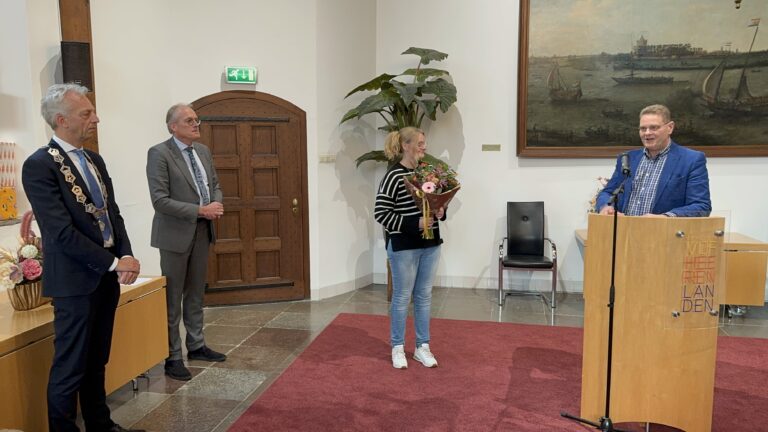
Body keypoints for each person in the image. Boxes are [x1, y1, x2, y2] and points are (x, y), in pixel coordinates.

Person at [22, 83, 142, 432]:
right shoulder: (39, 165)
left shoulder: (94, 160)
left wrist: (127, 255)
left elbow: (112, 214)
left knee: (96, 360)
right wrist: (112, 262)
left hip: (105, 277)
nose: (96, 119)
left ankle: (99, 423)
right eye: (86, 113)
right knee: (70, 365)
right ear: (61, 120)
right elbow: (60, 232)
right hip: (74, 281)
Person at [146, 103, 226, 381]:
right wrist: (200, 210)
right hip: (174, 235)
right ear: (173, 126)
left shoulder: (202, 151)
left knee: (195, 293)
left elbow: (214, 184)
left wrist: (216, 201)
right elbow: (160, 200)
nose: (196, 124)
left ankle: (197, 345)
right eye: (189, 120)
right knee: (172, 298)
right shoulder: (160, 153)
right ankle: (173, 356)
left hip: (202, 232)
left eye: (197, 120)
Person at [374, 127, 445, 369]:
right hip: (403, 246)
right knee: (402, 297)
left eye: (425, 143)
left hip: (431, 244)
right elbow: (381, 213)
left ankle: (422, 347)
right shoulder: (393, 176)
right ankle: (397, 347)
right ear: (406, 145)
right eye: (421, 143)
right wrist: (415, 223)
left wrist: (440, 211)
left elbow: (435, 205)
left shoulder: (428, 174)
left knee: (424, 297)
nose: (424, 147)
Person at [596, 104, 711, 217]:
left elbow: (701, 205)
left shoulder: (691, 160)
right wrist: (606, 207)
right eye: (643, 128)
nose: (647, 133)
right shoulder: (628, 158)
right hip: (625, 233)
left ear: (670, 127)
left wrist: (665, 217)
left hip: (664, 233)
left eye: (654, 128)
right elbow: (608, 192)